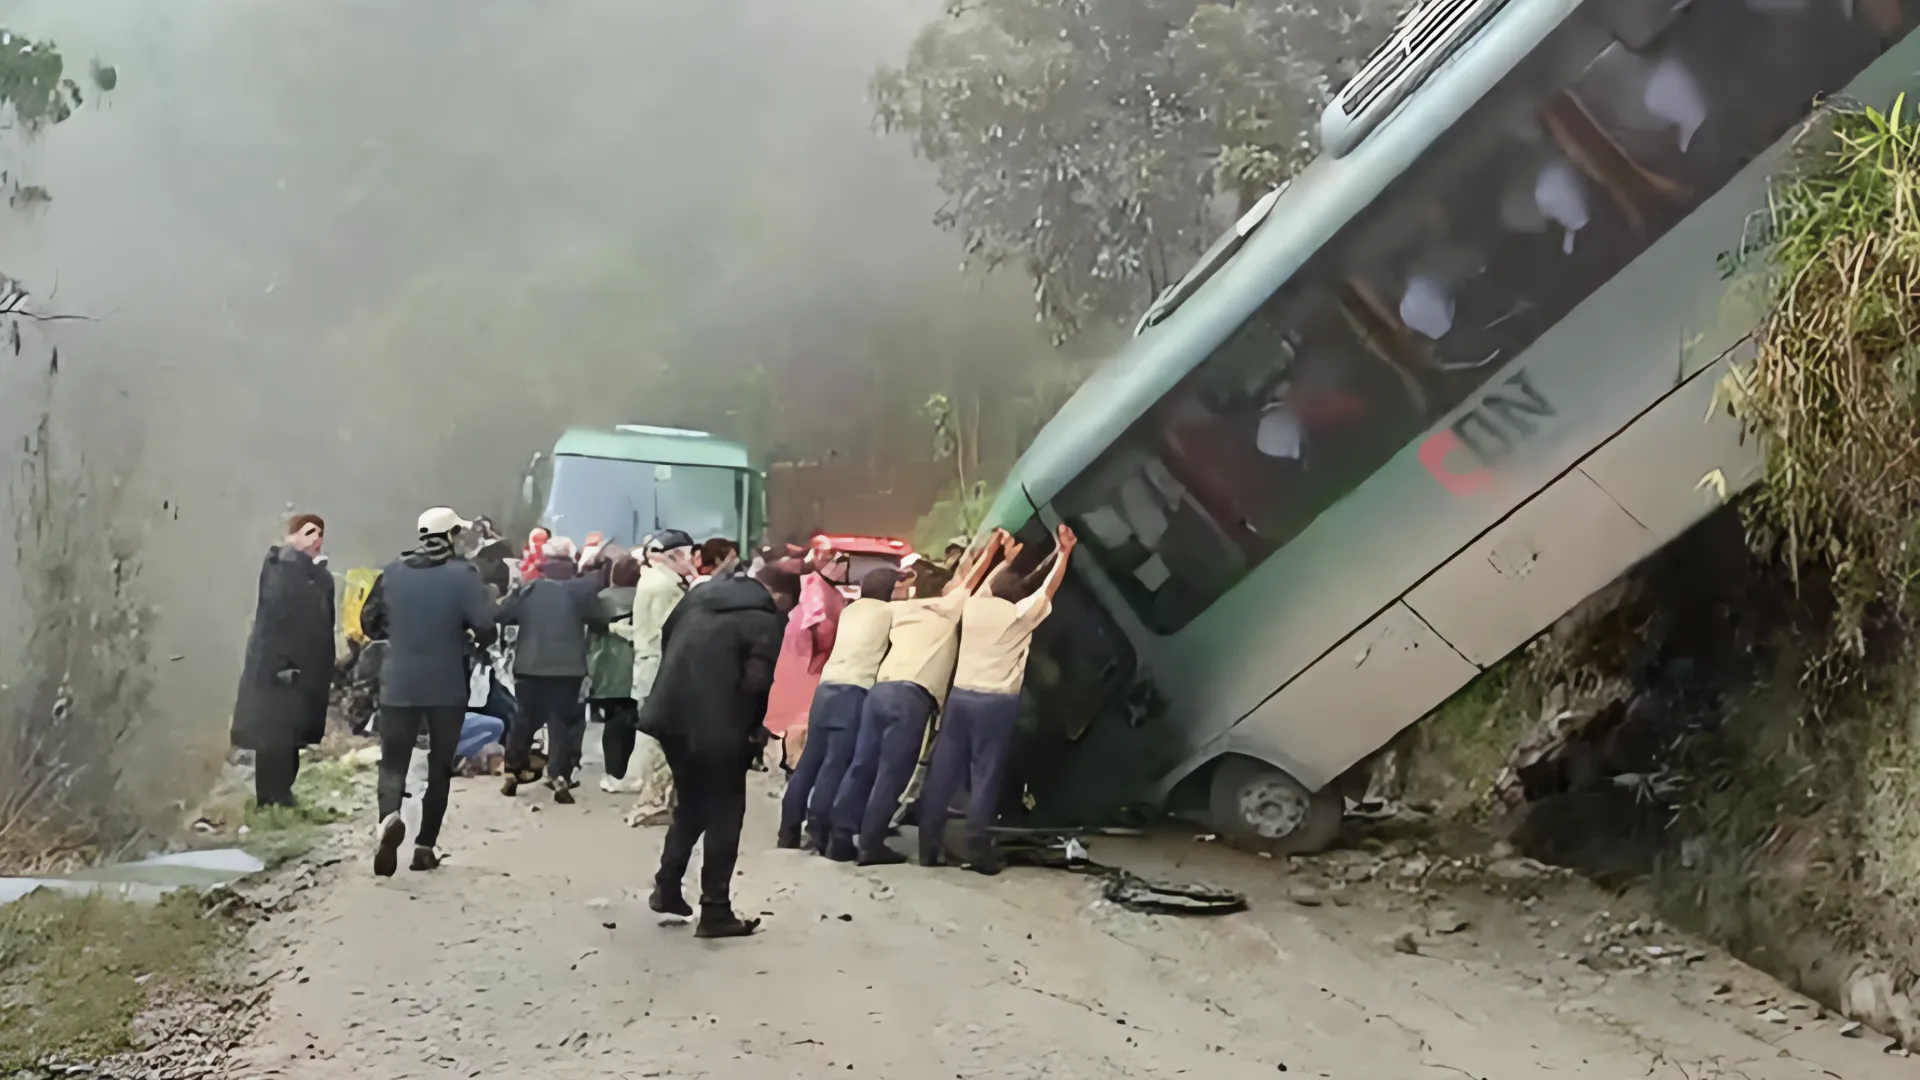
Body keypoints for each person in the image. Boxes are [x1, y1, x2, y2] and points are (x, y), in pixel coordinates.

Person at [826, 532, 1004, 865]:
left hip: (879, 691)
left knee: (862, 765)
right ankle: (870, 844)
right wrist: (996, 549)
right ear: (943, 591)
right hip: (911, 696)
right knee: (892, 772)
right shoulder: (947, 608)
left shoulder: (901, 609)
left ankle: (840, 837)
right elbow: (974, 576)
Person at [640, 564, 797, 938]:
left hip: (670, 715)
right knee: (726, 812)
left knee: (693, 803)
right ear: (779, 595)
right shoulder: (763, 620)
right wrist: (753, 730)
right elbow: (756, 682)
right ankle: (715, 910)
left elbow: (666, 639)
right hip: (719, 725)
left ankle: (668, 886)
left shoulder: (696, 599)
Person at [915, 524, 1076, 872]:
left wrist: (1002, 560)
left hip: (961, 697)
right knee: (985, 773)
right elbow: (1048, 590)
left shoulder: (974, 608)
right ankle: (978, 850)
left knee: (945, 769)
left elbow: (987, 584)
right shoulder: (1018, 616)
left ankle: (928, 846)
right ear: (1017, 596)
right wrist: (1063, 554)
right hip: (995, 703)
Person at [360, 506, 498, 876]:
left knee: (393, 763)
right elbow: (486, 625)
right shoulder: (463, 574)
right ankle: (425, 846)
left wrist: (402, 633)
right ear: (451, 535)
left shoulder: (393, 572)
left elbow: (369, 623)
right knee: (440, 765)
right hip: (447, 684)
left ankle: (388, 820)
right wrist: (468, 634)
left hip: (399, 680)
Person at [777, 565, 907, 851]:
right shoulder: (890, 614)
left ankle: (787, 831)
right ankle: (819, 829)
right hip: (854, 692)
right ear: (891, 591)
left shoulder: (851, 610)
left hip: (826, 689)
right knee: (835, 763)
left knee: (810, 761)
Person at [230, 513, 335, 809]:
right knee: (273, 738)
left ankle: (283, 795)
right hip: (280, 672)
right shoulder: (282, 569)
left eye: (320, 534)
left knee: (292, 737)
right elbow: (274, 623)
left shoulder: (317, 577)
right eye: (309, 532)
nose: (316, 539)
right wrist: (282, 665)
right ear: (293, 536)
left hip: (305, 672)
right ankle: (270, 799)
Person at [497, 536, 608, 803]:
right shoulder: (582, 589)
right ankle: (560, 776)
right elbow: (601, 621)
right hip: (569, 667)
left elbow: (502, 615)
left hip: (529, 665)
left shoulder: (529, 589)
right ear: (571, 560)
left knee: (524, 719)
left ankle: (513, 770)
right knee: (565, 721)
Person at [605, 529, 697, 815]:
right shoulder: (665, 586)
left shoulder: (654, 581)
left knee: (649, 728)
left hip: (648, 662)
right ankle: (650, 790)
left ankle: (639, 780)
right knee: (656, 731)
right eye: (690, 555)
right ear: (675, 555)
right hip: (660, 665)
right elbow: (673, 630)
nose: (693, 561)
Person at [762, 541, 849, 772]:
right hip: (808, 664)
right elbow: (820, 629)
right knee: (800, 723)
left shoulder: (814, 585)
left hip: (799, 661)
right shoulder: (818, 588)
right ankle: (793, 765)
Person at [588, 555, 640, 792]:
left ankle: (614, 772)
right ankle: (630, 769)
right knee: (633, 721)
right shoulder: (644, 597)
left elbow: (591, 638)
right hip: (638, 666)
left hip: (608, 668)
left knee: (613, 722)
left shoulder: (601, 600)